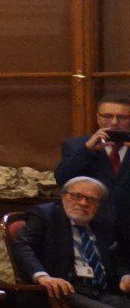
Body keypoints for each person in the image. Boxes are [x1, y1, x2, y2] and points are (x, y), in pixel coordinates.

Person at [15, 176, 130, 308]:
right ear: (63, 196)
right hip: (62, 291)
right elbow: (24, 246)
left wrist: (124, 276)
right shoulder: (45, 214)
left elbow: (117, 258)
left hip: (99, 289)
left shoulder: (102, 223)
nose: (83, 203)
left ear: (98, 204)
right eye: (77, 196)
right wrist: (43, 276)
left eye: (91, 200)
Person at [55, 97, 130, 227]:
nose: (113, 122)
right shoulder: (77, 146)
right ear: (97, 118)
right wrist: (87, 150)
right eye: (107, 116)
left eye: (122, 117)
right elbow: (63, 179)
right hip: (91, 224)